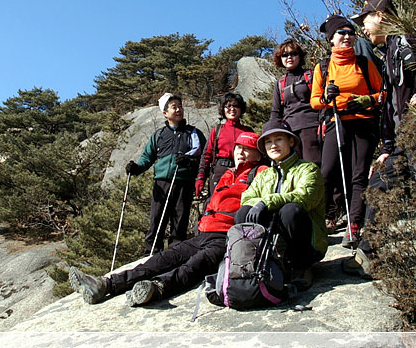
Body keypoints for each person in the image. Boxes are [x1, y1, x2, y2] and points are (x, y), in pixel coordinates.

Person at [69, 132, 268, 306]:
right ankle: (106, 284)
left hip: (227, 237)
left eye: (247, 149)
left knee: (193, 266)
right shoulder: (226, 175)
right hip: (205, 233)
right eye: (238, 148)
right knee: (163, 258)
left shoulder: (261, 173)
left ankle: (156, 288)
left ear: (258, 154)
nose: (240, 152)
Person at [344, 0, 416, 275]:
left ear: (381, 15)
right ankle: (369, 254)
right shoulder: (390, 50)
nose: (362, 29)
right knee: (379, 186)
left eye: (364, 21)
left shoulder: (412, 38)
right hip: (401, 139)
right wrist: (388, 146)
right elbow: (392, 103)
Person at [310, 14, 384, 249]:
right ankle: (321, 221)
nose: (347, 36)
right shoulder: (323, 66)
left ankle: (354, 225)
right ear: (331, 39)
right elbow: (314, 101)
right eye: (341, 33)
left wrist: (366, 100)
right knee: (327, 172)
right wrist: (326, 98)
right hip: (337, 121)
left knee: (359, 175)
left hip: (364, 122)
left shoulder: (364, 62)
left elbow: (382, 93)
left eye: (350, 32)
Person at [237, 122, 327, 288]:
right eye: (268, 142)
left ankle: (301, 266)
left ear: (291, 142)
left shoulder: (308, 169)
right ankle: (252, 264)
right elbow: (247, 198)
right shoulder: (264, 175)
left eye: (279, 139)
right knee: (244, 212)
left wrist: (266, 201)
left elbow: (304, 198)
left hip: (307, 241)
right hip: (273, 238)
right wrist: (259, 204)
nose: (273, 145)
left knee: (290, 210)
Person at [124, 93, 207, 256]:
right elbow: (147, 157)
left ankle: (175, 255)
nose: (178, 110)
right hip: (161, 183)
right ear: (165, 113)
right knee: (156, 220)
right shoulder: (159, 135)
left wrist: (189, 162)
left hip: (184, 182)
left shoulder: (193, 133)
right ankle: (152, 254)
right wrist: (136, 168)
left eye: (180, 106)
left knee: (180, 221)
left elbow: (203, 157)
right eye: (174, 107)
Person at [269, 40, 322, 166]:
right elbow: (276, 112)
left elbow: (321, 101)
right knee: (293, 168)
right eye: (285, 55)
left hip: (311, 127)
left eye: (293, 53)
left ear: (299, 56)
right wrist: (273, 133)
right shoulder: (280, 83)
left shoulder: (311, 75)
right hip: (289, 131)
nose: (289, 57)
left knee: (313, 165)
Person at [196, 92, 253, 198]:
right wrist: (201, 178)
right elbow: (206, 155)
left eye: (236, 105)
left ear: (241, 109)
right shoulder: (217, 130)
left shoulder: (248, 131)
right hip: (220, 172)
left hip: (242, 172)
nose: (232, 109)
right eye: (228, 106)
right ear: (223, 109)